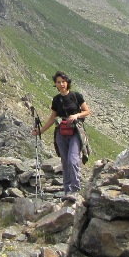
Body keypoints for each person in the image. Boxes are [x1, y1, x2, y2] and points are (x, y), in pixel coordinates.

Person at [32, 71, 90, 199]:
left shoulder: (76, 96)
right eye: (58, 82)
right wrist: (40, 132)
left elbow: (87, 111)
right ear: (55, 84)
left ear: (67, 82)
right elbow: (52, 118)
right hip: (61, 132)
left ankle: (75, 190)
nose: (61, 84)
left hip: (75, 131)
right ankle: (67, 191)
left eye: (63, 81)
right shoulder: (56, 99)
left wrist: (76, 115)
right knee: (64, 160)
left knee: (73, 159)